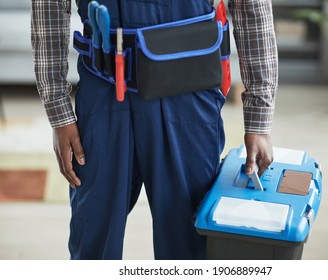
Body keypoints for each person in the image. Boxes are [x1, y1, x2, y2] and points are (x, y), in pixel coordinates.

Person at [31, 0, 278, 260]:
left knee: (188, 244)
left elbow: (251, 6)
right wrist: (58, 111)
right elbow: (49, 5)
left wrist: (259, 120)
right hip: (105, 91)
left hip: (187, 92)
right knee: (94, 238)